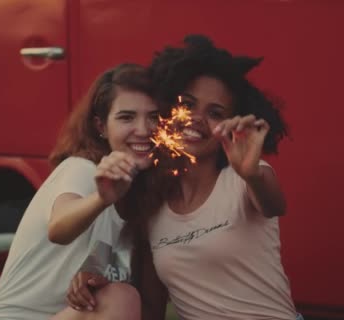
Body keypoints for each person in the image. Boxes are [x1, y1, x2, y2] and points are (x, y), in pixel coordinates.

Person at [67, 35, 302, 320]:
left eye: (215, 112)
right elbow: (152, 307)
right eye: (187, 104)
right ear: (168, 112)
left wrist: (251, 174)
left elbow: (274, 205)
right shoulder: (153, 204)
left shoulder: (246, 178)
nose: (196, 119)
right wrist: (95, 275)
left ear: (231, 123)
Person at [0, 63, 160, 320]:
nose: (144, 130)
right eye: (126, 117)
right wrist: (101, 199)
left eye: (154, 117)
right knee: (122, 298)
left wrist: (95, 278)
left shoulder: (142, 199)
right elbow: (58, 227)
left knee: (123, 296)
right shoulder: (82, 169)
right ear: (101, 126)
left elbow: (148, 307)